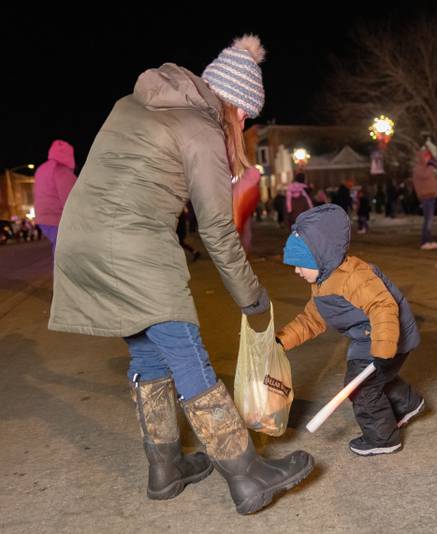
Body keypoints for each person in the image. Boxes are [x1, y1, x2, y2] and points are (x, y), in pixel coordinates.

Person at [47, 35, 313, 515]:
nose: (244, 124)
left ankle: (165, 468)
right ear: (234, 105)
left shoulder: (131, 103)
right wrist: (253, 299)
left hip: (80, 239)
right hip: (133, 246)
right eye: (245, 116)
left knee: (150, 355)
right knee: (189, 354)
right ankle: (247, 474)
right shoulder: (201, 128)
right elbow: (216, 227)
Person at [277, 204, 424, 456]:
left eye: (301, 264)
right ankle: (407, 402)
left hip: (388, 335)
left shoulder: (354, 277)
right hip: (366, 338)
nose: (296, 271)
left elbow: (383, 306)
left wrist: (383, 348)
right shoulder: (322, 282)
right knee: (375, 377)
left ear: (319, 256)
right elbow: (312, 319)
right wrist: (281, 341)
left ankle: (382, 438)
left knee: (361, 387)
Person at [33, 139, 78, 256]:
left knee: (60, 247)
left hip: (42, 218)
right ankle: (63, 272)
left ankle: (61, 271)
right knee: (66, 251)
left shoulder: (41, 169)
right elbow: (70, 198)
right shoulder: (62, 170)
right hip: (57, 217)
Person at [412, 150, 437, 249]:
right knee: (427, 220)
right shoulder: (419, 169)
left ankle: (428, 240)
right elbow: (425, 175)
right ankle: (425, 241)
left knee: (429, 220)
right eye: (426, 157)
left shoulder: (426, 168)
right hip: (426, 196)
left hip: (431, 196)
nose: (428, 158)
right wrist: (430, 166)